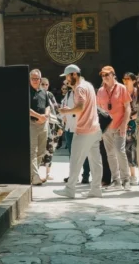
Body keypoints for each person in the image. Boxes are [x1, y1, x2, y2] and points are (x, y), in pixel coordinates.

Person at [54, 64, 103, 200]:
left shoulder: (80, 88)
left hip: (84, 130)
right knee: (95, 161)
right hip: (95, 128)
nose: (67, 80)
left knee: (75, 160)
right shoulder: (89, 85)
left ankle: (70, 190)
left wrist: (66, 111)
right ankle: (96, 189)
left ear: (74, 74)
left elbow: (80, 107)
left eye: (68, 77)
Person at [97, 66, 131, 191]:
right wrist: (99, 128)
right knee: (110, 154)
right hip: (106, 128)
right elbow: (98, 110)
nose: (105, 77)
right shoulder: (100, 91)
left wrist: (124, 124)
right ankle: (116, 181)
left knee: (119, 151)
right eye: (103, 75)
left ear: (113, 75)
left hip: (119, 126)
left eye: (107, 75)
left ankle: (126, 180)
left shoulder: (122, 88)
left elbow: (127, 107)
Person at [60, 78, 92, 186]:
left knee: (84, 153)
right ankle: (73, 175)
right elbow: (63, 107)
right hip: (69, 127)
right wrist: (63, 116)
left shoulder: (82, 92)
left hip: (81, 127)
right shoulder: (68, 94)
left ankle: (86, 175)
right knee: (72, 154)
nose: (67, 83)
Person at [122, 73, 139, 187]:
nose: (125, 81)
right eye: (124, 79)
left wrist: (131, 118)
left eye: (127, 79)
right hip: (127, 124)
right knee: (129, 148)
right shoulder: (122, 92)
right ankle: (132, 175)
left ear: (133, 81)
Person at [39, 77, 64, 183]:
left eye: (46, 84)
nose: (45, 86)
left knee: (50, 150)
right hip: (39, 125)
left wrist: (60, 127)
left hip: (52, 126)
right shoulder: (36, 95)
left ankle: (48, 173)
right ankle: (37, 173)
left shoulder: (49, 95)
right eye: (43, 84)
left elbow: (55, 110)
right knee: (39, 150)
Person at [28, 69, 50, 186]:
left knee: (41, 151)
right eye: (33, 78)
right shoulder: (26, 92)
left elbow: (47, 105)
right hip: (32, 124)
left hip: (43, 124)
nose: (35, 80)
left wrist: (45, 115)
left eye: (37, 78)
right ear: (30, 79)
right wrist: (38, 116)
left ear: (40, 79)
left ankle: (32, 174)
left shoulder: (43, 91)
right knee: (33, 151)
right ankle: (35, 177)